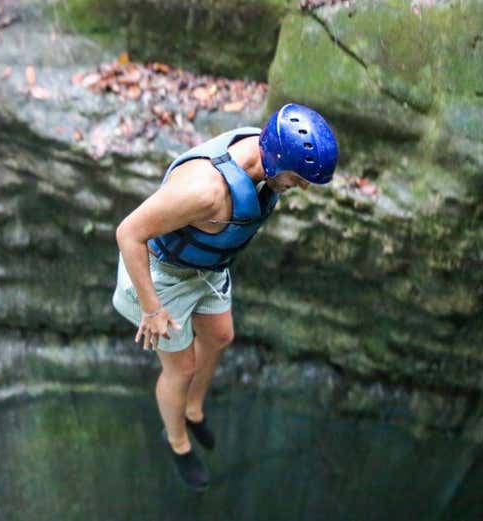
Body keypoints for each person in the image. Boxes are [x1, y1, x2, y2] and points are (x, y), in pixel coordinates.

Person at [112, 103, 338, 491]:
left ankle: (194, 408)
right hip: (161, 274)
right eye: (300, 179)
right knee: (180, 369)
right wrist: (151, 308)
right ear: (279, 156)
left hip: (208, 267)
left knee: (220, 337)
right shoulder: (205, 192)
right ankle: (178, 441)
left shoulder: (264, 155)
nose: (302, 187)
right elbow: (129, 233)